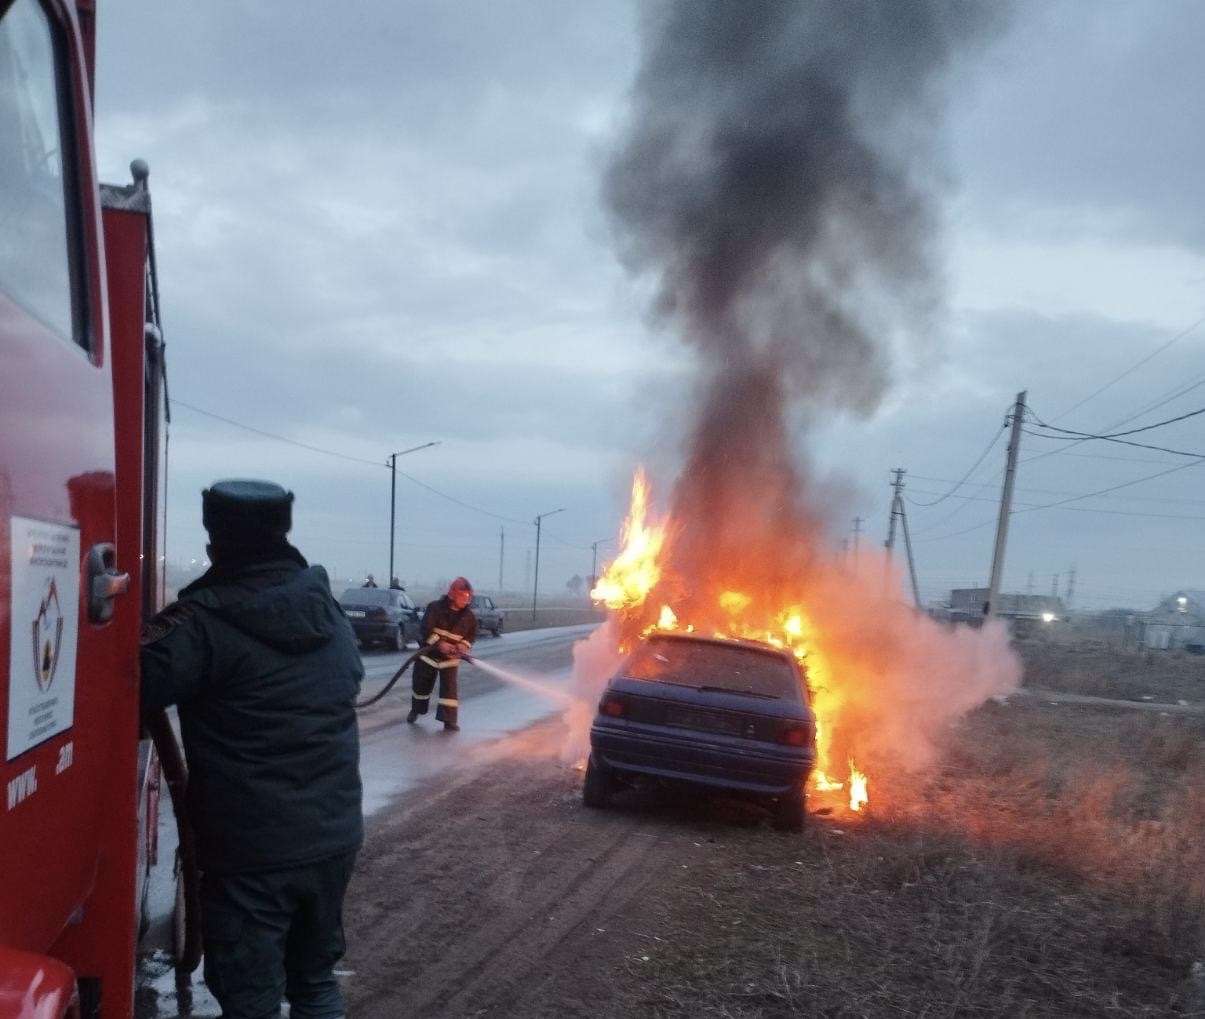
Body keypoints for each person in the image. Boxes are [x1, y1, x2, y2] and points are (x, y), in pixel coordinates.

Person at [141, 480, 363, 1019]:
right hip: (332, 836)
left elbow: (133, 683)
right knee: (313, 981)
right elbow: (352, 676)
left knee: (250, 998)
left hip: (251, 850)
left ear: (216, 542)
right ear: (283, 534)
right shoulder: (325, 607)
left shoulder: (203, 622)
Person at [407, 577, 477, 732]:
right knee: (421, 686)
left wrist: (463, 645)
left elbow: (471, 635)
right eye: (464, 597)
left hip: (450, 660)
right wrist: (439, 644)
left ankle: (449, 721)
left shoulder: (469, 617)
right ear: (452, 595)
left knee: (449, 691)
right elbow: (425, 630)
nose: (467, 601)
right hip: (428, 655)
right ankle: (416, 710)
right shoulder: (435, 608)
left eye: (469, 598)